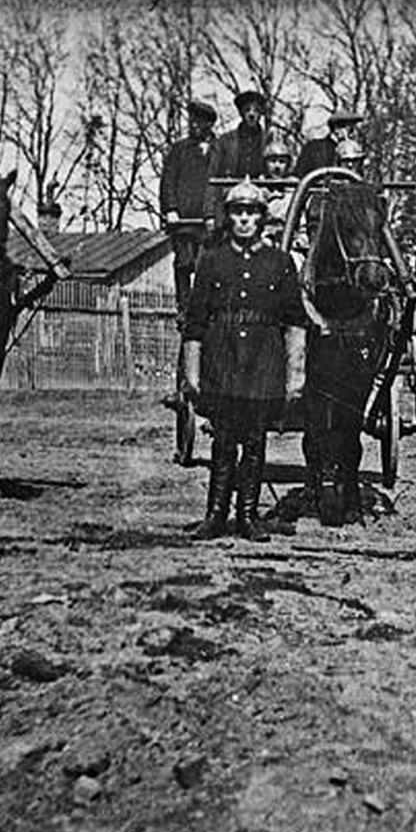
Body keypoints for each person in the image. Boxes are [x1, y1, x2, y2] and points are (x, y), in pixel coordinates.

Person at [181, 179, 308, 542]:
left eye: (251, 212)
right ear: (228, 217)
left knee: (254, 442)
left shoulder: (280, 263)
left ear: (262, 218)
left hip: (262, 361)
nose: (244, 220)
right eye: (238, 212)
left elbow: (295, 321)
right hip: (222, 359)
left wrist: (294, 375)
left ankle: (248, 516)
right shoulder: (211, 261)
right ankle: (215, 515)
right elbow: (195, 322)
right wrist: (192, 372)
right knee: (223, 440)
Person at [161, 99, 217, 314]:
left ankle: (207, 308)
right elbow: (168, 180)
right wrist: (171, 209)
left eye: (200, 122)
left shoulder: (219, 149)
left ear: (209, 124)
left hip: (209, 221)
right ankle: (183, 307)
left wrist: (217, 213)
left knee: (207, 265)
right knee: (184, 262)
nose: (194, 125)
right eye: (192, 121)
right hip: (184, 220)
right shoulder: (180, 150)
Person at [206, 88, 268, 228]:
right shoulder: (225, 142)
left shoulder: (269, 140)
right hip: (230, 200)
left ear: (261, 114)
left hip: (259, 200)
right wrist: (209, 214)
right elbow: (212, 176)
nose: (251, 114)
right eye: (247, 110)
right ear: (240, 113)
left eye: (256, 110)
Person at [294, 109, 364, 178]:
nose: (353, 135)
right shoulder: (314, 149)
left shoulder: (354, 150)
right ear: (338, 129)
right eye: (351, 130)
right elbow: (298, 176)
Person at [261, 137, 295, 246]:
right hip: (262, 240)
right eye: (272, 161)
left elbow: (302, 223)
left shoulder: (295, 189)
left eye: (282, 162)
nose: (277, 166)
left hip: (290, 240)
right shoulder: (258, 189)